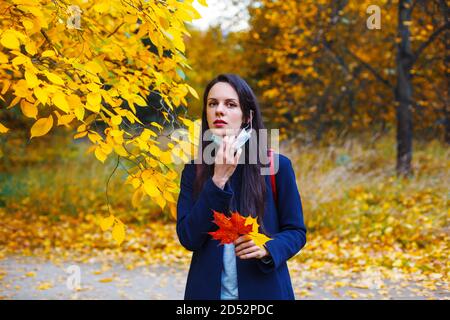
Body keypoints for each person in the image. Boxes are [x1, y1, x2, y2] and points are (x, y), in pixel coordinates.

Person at [176, 74, 307, 300]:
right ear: (206, 113)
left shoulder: (277, 166)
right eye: (212, 103)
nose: (219, 110)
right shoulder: (194, 171)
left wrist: (269, 248)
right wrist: (217, 182)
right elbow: (188, 238)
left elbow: (296, 232)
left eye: (230, 104)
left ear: (247, 116)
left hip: (265, 294)